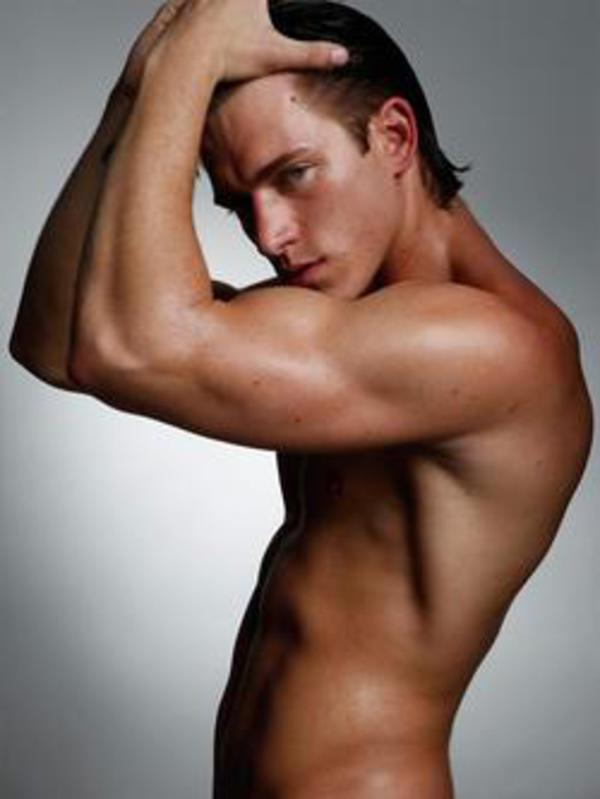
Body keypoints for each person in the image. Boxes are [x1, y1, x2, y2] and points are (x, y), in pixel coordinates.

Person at [9, 1, 594, 796]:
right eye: (237, 201)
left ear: (395, 137)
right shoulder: (343, 320)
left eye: (293, 174)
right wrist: (136, 92)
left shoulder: (492, 347)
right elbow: (53, 341)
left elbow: (123, 347)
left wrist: (194, 49)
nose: (268, 233)